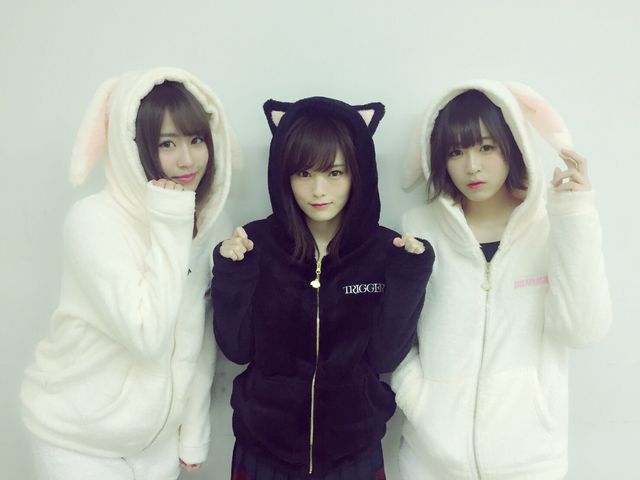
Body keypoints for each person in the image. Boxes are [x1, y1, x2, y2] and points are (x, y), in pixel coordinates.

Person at [20, 67, 233, 480]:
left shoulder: (209, 225)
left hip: (156, 443)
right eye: (166, 143)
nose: (187, 159)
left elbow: (198, 334)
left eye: (196, 140)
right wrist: (171, 220)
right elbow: (147, 334)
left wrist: (193, 430)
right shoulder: (92, 220)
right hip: (77, 437)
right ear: (133, 147)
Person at [391, 81, 611, 479]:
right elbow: (398, 333)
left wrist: (575, 215)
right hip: (430, 462)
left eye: (486, 147)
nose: (471, 166)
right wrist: (418, 400)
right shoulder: (419, 228)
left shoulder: (550, 226)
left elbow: (582, 331)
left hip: (531, 463)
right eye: (455, 152)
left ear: (515, 146)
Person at [211, 96, 434, 479]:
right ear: (283, 175)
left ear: (358, 172)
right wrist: (233, 273)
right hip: (264, 451)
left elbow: (385, 358)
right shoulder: (254, 244)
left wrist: (410, 276)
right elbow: (237, 349)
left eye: (335, 172)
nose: (318, 190)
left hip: (353, 456)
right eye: (303, 173)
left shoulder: (384, 250)